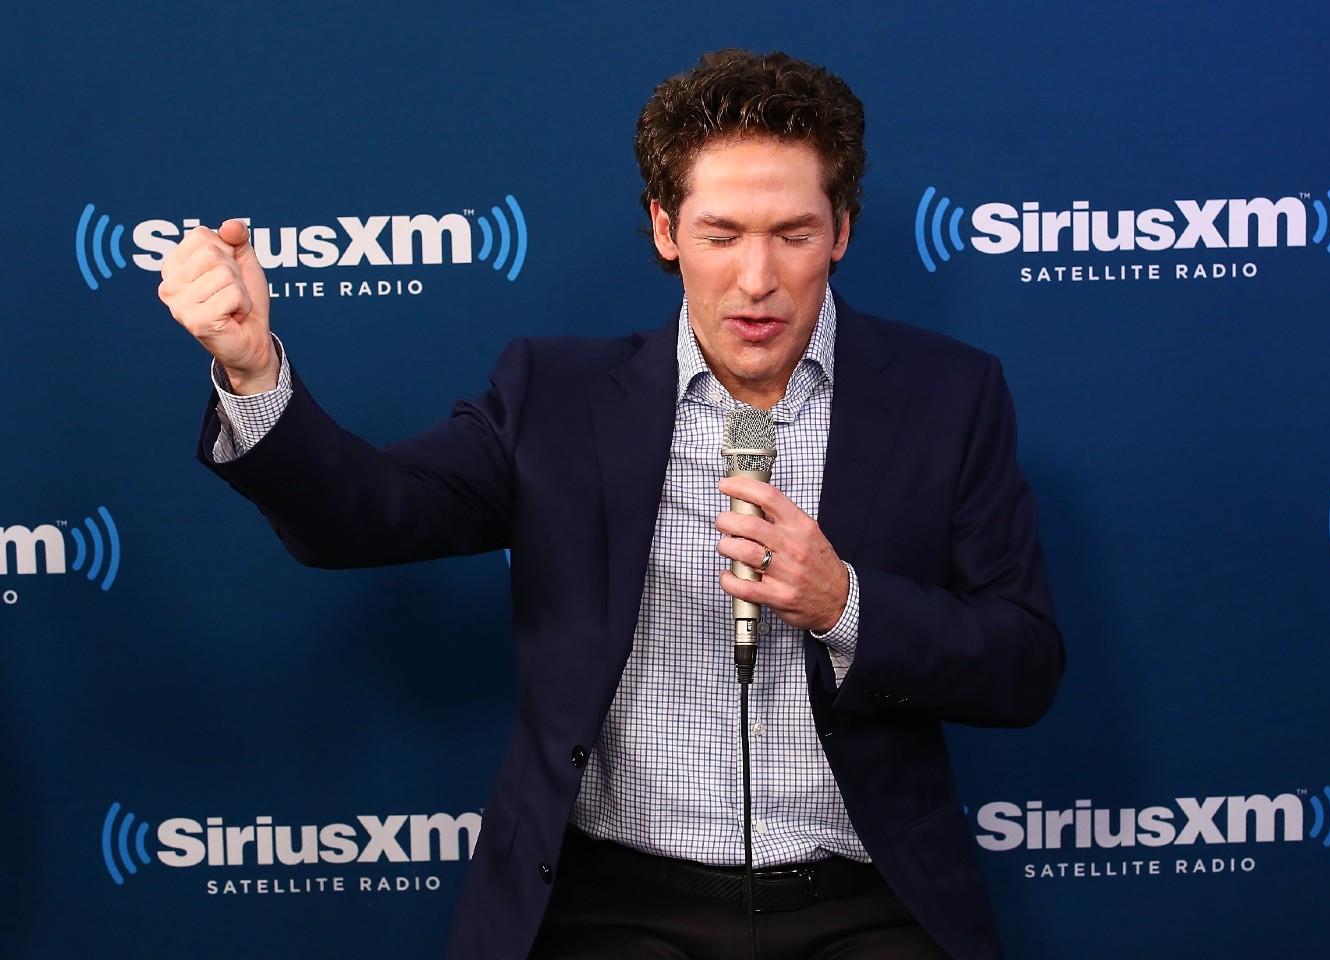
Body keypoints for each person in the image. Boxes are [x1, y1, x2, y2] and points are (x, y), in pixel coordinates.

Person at [158, 49, 1063, 960]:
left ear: (842, 232)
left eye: (793, 234)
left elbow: (1023, 664)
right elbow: (358, 516)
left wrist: (844, 605)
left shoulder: (949, 395)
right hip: (616, 903)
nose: (756, 278)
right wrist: (253, 369)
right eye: (721, 234)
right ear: (665, 229)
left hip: (864, 896)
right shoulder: (555, 397)